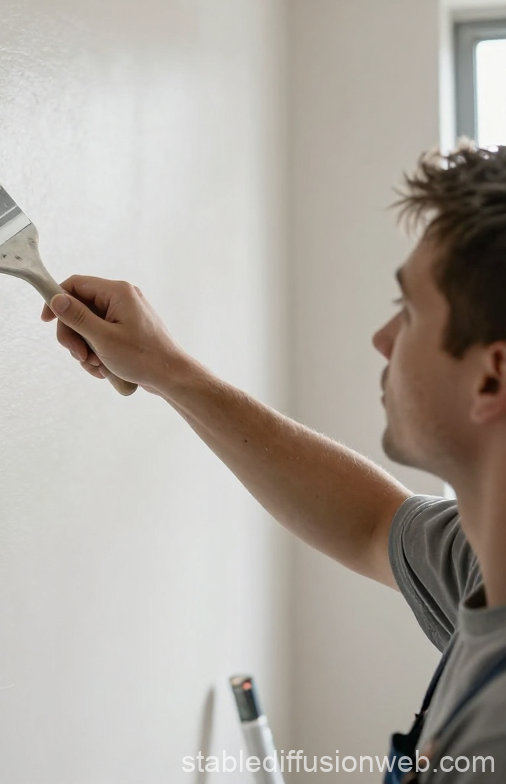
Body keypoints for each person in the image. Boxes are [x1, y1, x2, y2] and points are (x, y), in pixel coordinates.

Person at [41, 144, 506, 783]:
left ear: (492, 376)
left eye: (410, 311)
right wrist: (167, 371)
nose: (382, 339)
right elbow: (369, 523)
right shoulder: (481, 562)